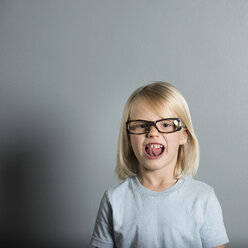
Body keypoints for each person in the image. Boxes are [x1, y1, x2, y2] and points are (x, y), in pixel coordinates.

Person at [90, 81, 229, 248]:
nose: (153, 133)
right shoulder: (114, 199)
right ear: (129, 137)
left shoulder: (203, 198)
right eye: (142, 125)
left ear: (183, 136)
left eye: (165, 124)